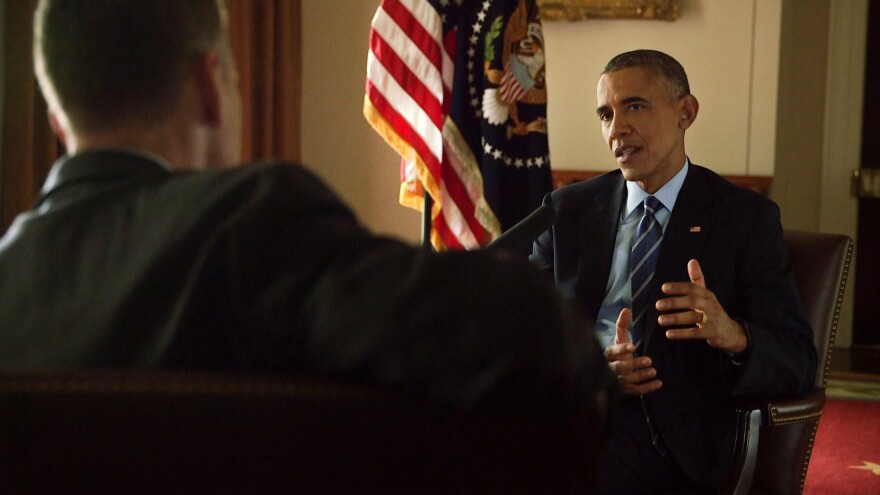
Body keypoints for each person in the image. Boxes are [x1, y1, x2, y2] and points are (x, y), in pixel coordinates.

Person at [0, 0, 614, 414]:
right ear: (212, 87)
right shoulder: (252, 223)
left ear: (58, 119)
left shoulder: (11, 274)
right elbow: (535, 335)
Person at [531, 49, 817, 493]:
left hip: (681, 441)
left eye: (635, 106)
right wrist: (590, 366)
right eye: (605, 114)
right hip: (579, 415)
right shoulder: (568, 210)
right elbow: (524, 329)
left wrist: (733, 334)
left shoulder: (743, 218)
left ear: (686, 112)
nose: (616, 128)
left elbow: (798, 362)